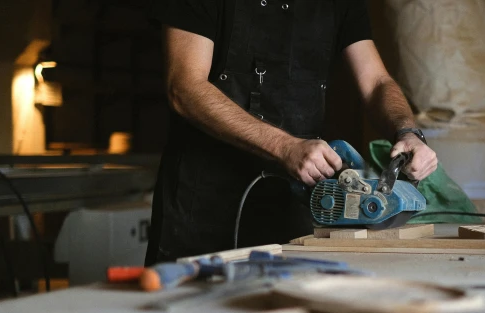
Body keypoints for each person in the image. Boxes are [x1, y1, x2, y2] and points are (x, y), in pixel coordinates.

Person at [145, 0, 439, 265]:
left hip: (294, 199)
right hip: (202, 203)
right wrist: (285, 147)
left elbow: (376, 82)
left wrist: (407, 131)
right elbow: (185, 87)